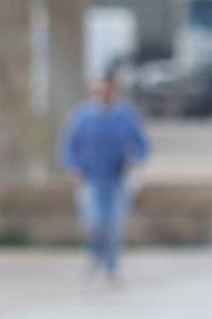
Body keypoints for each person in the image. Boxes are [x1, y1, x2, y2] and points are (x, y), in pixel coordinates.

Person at [60, 73, 151, 280]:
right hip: (91, 178)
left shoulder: (126, 116)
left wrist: (134, 160)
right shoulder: (83, 116)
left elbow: (142, 145)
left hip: (117, 179)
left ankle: (111, 265)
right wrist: (73, 167)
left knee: (115, 224)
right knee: (93, 222)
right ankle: (95, 254)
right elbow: (70, 145)